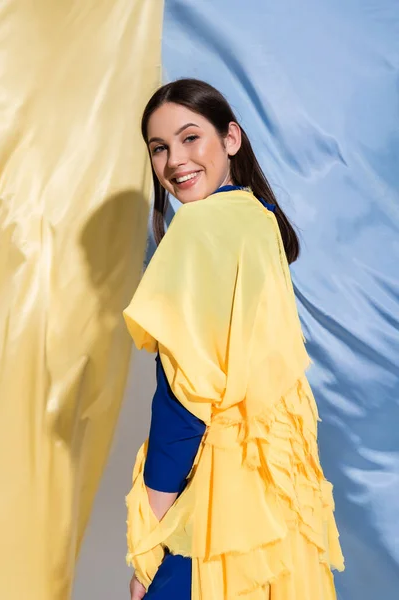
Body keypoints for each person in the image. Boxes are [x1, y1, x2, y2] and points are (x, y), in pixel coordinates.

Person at [123, 78, 344, 600]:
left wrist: (148, 540)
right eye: (159, 148)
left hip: (221, 517)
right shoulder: (256, 219)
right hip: (279, 509)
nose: (175, 159)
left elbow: (184, 402)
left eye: (190, 137)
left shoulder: (199, 229)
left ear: (231, 139)